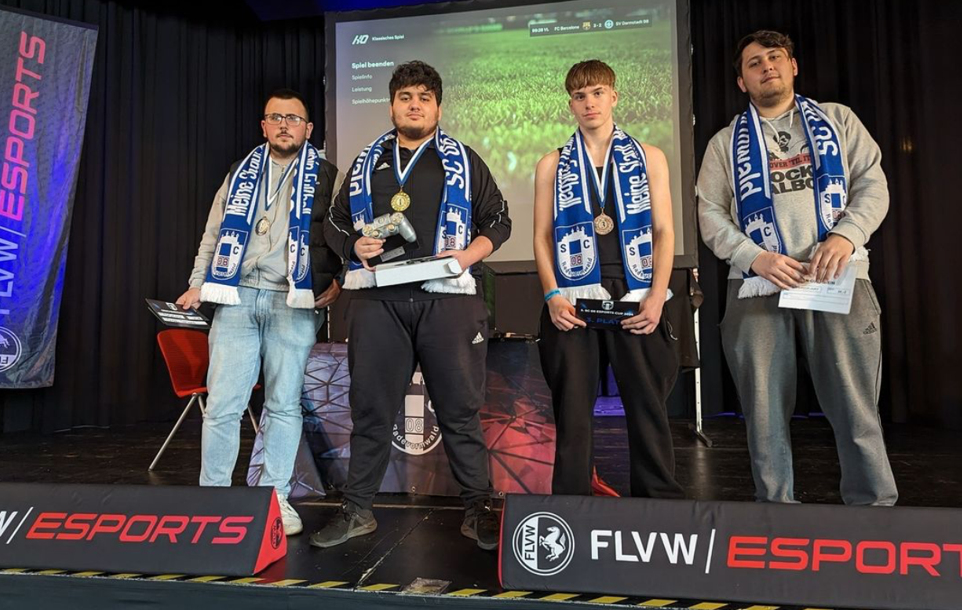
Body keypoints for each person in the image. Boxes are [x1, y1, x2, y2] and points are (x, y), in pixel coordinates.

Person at [311, 61, 511, 550]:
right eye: (405, 97)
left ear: (438, 108)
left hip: (448, 300)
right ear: (391, 106)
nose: (414, 105)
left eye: (424, 97)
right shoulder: (366, 163)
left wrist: (465, 257)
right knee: (371, 411)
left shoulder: (463, 160)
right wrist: (353, 246)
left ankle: (478, 509)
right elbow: (334, 223)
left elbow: (499, 221)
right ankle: (357, 510)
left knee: (460, 412)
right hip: (379, 300)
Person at [697, 30, 898, 505]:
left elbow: (873, 184)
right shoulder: (724, 143)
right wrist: (754, 257)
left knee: (855, 406)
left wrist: (846, 235)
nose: (766, 66)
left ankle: (874, 512)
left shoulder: (837, 120)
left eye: (774, 57)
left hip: (840, 279)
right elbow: (709, 213)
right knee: (763, 413)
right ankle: (776, 513)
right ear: (742, 82)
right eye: (753, 63)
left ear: (793, 66)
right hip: (757, 286)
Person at [176, 89, 344, 535]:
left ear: (309, 129)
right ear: (264, 126)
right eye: (276, 117)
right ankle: (213, 499)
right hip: (236, 297)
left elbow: (345, 233)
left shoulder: (328, 176)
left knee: (284, 406)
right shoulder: (240, 172)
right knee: (222, 407)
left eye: (294, 118)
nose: (285, 125)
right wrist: (197, 282)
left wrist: (341, 279)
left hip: (292, 301)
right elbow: (213, 233)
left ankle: (276, 498)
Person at [532, 60, 685, 499]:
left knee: (647, 405)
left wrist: (656, 296)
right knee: (572, 410)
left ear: (613, 97)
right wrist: (552, 295)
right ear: (571, 105)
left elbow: (664, 231)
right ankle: (571, 505)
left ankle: (658, 503)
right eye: (580, 96)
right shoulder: (552, 164)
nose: (589, 103)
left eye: (598, 92)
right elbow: (541, 237)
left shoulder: (650, 156)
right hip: (573, 293)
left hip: (635, 289)